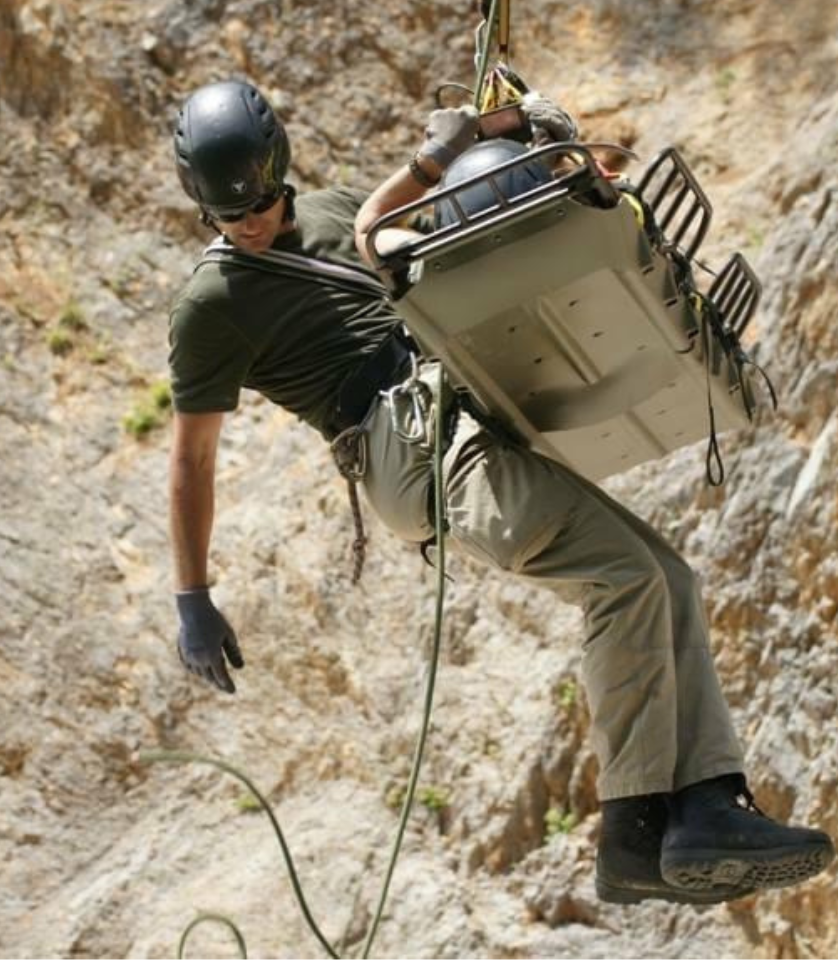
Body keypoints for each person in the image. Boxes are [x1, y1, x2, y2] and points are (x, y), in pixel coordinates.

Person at [166, 78, 835, 906]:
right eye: (233, 214)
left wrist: (520, 149)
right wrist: (192, 591)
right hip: (405, 448)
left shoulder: (341, 212)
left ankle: (704, 798)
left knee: (667, 577)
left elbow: (439, 233)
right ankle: (631, 834)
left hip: (464, 408)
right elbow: (194, 457)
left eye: (262, 199)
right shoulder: (210, 302)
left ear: (280, 171)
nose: (252, 221)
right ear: (204, 205)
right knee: (621, 581)